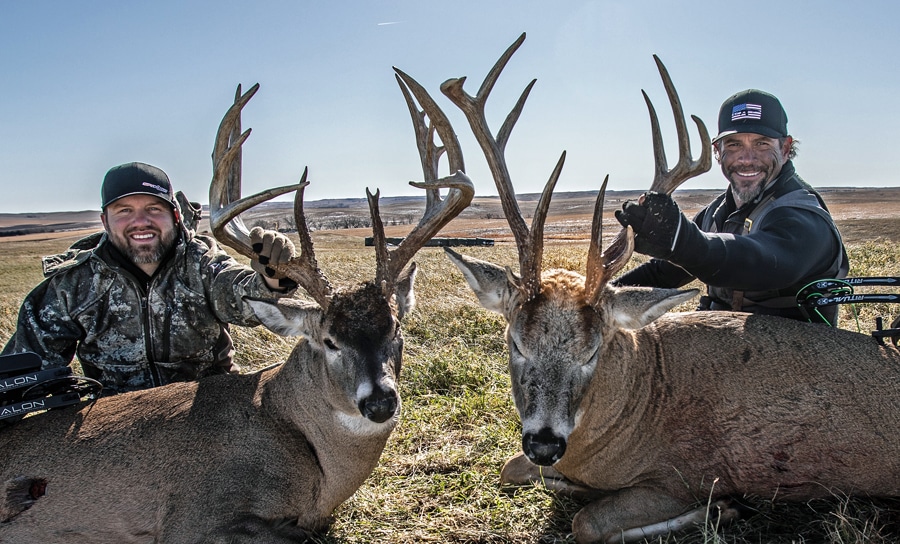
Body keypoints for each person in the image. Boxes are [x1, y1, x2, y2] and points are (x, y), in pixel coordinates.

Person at [1, 162, 299, 395]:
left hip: (209, 407)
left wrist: (272, 277)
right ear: (105, 221)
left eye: (153, 209)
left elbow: (240, 295)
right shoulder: (73, 284)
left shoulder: (200, 261)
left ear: (176, 217)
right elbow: (27, 366)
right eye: (124, 211)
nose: (140, 221)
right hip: (116, 420)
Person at [614, 89, 849, 325]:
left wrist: (682, 240)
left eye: (761, 144)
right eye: (734, 144)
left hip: (794, 355)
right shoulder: (717, 213)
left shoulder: (804, 216)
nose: (746, 159)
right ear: (718, 152)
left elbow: (761, 263)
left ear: (785, 148)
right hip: (725, 346)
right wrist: (597, 297)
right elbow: (663, 272)